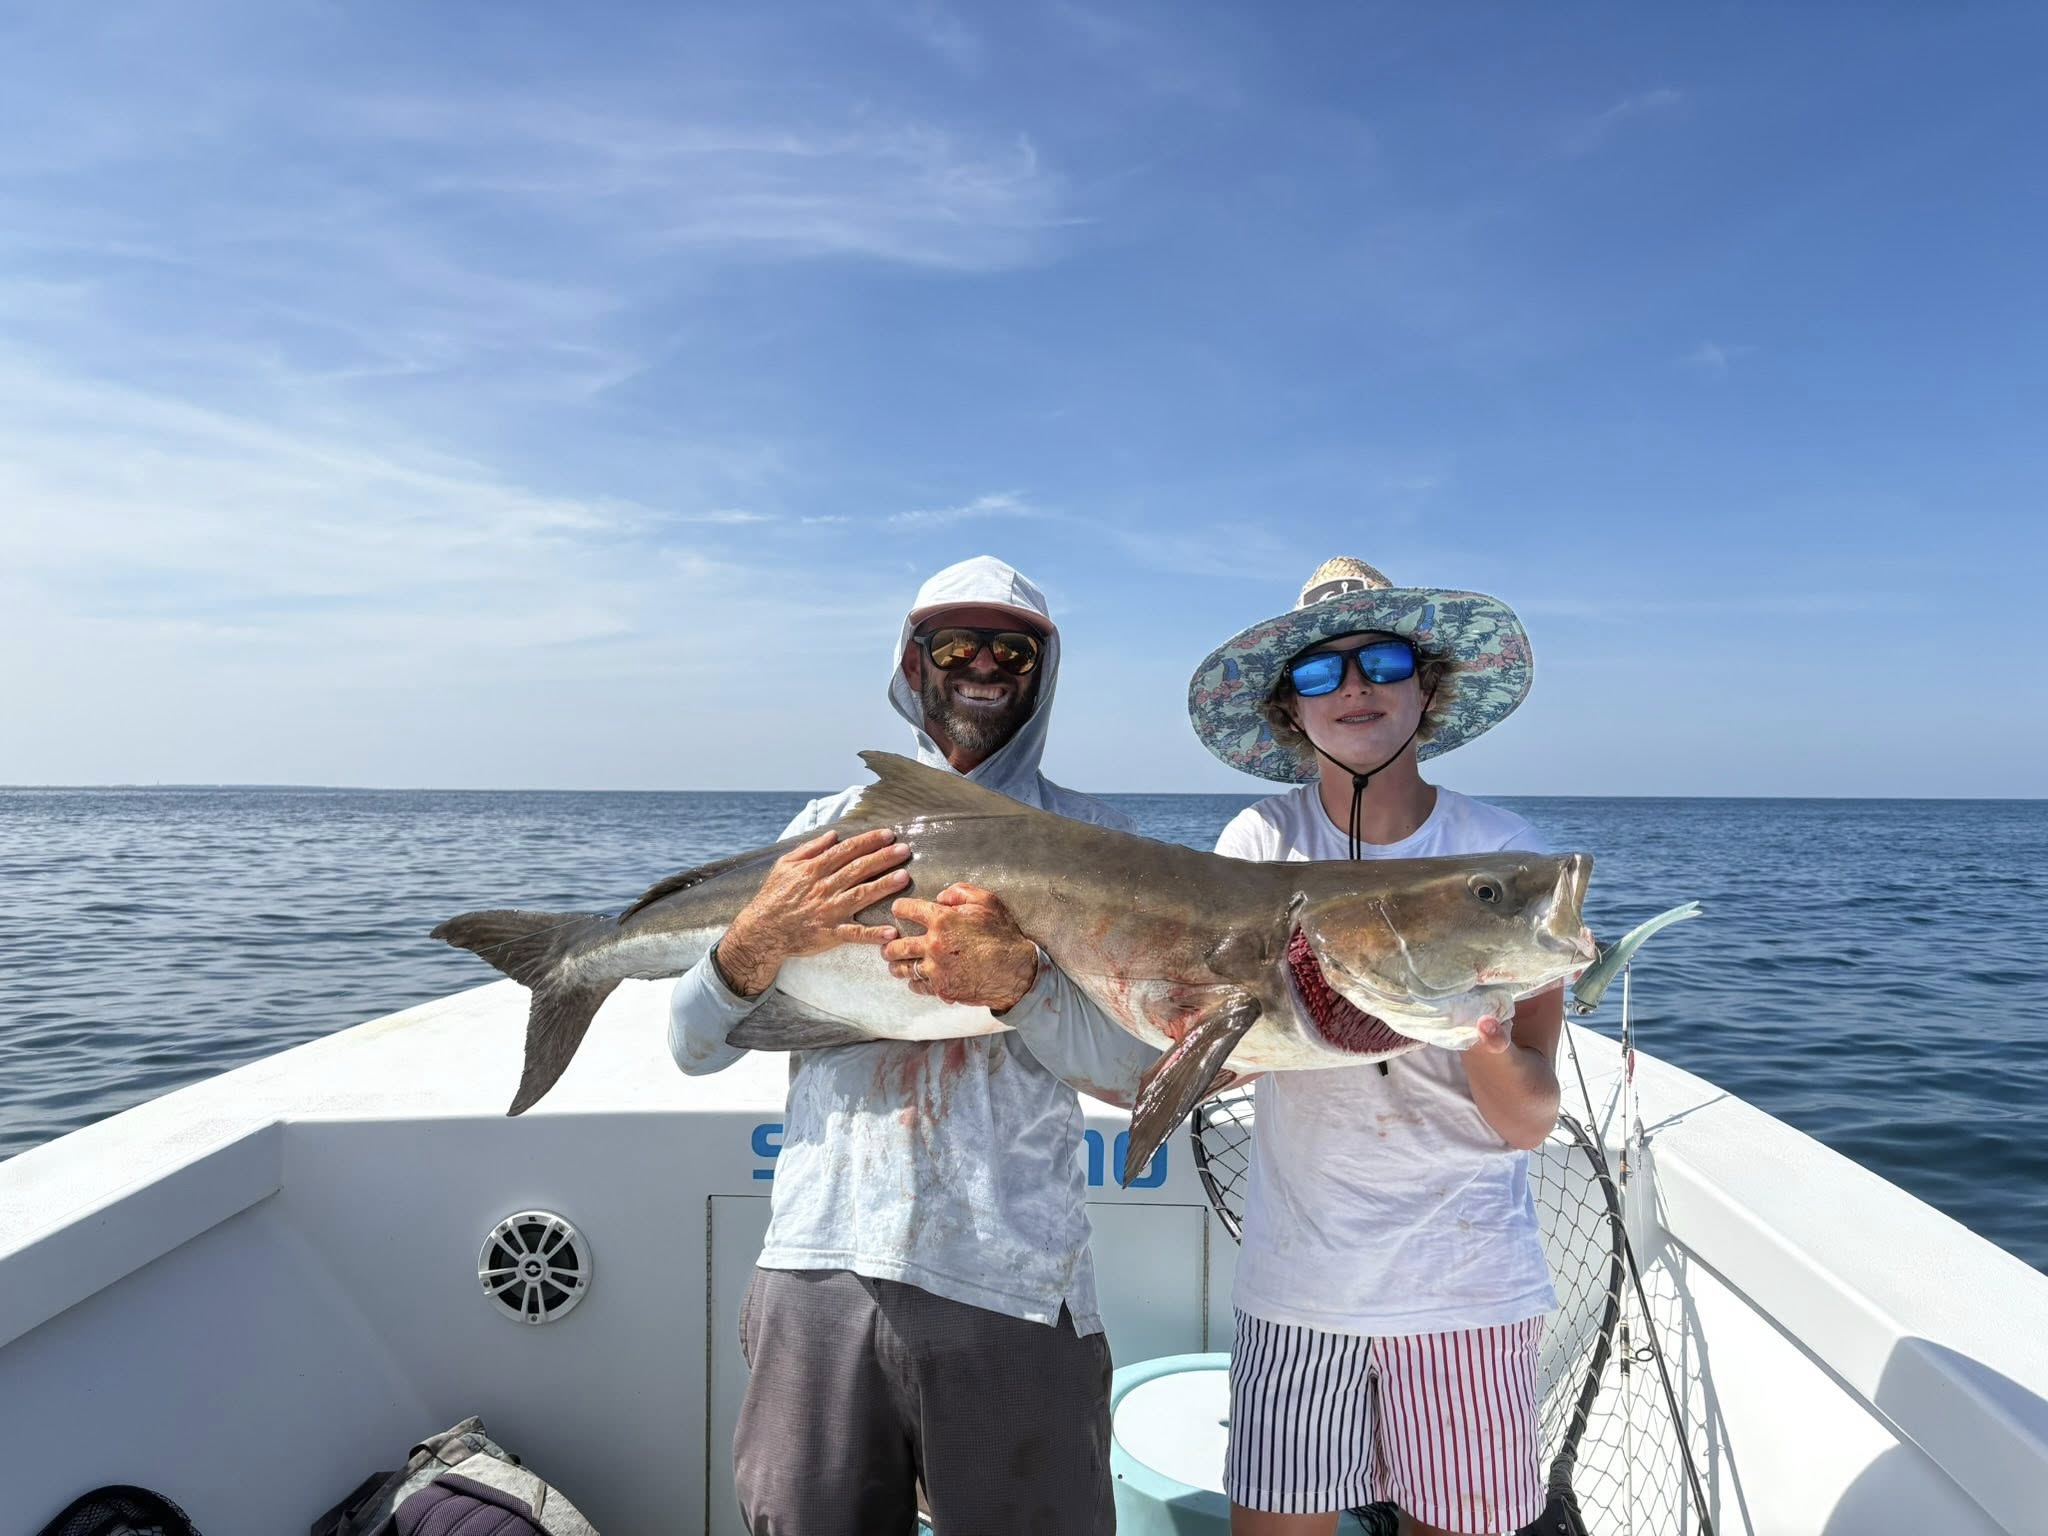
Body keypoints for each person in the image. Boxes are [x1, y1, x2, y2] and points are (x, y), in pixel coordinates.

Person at [668, 554, 1160, 1536]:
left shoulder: (1096, 840)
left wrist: (1021, 986)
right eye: (955, 642)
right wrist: (752, 942)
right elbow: (693, 1043)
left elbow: (1141, 1076)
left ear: (1041, 669)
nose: (983, 663)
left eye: (1009, 648)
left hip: (1016, 1277)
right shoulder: (825, 831)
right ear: (912, 662)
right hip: (819, 1258)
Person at [1185, 556, 1563, 1536]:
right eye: (1318, 672)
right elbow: (1210, 1047)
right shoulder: (1258, 846)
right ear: (1289, 711)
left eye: (1381, 660)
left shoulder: (1505, 861)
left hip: (1466, 1285)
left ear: (1425, 688)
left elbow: (1525, 1120)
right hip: (1298, 1281)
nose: (1352, 687)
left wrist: (1470, 1026)